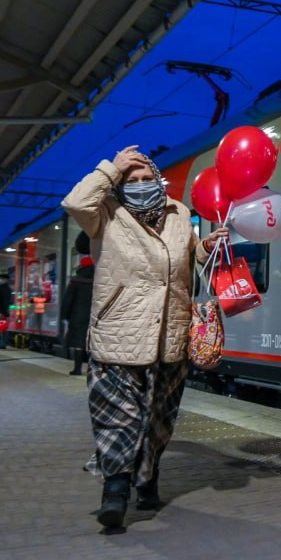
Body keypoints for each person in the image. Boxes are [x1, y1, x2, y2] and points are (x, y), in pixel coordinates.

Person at [62, 145, 227, 530]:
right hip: (118, 333)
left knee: (158, 421)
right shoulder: (104, 214)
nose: (138, 185)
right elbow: (74, 202)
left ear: (158, 180)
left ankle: (148, 478)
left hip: (170, 336)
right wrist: (111, 168)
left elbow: (186, 258)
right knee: (118, 419)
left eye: (145, 178)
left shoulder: (179, 214)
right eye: (130, 181)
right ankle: (115, 493)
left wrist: (205, 247)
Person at [61, 250, 95, 376]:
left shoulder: (76, 281)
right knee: (93, 343)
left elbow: (67, 301)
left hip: (78, 317)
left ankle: (77, 369)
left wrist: (64, 316)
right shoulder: (99, 279)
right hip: (94, 316)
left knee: (79, 343)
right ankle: (92, 369)